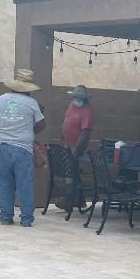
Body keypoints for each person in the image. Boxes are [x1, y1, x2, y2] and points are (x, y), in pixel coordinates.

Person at [0, 69, 45, 227]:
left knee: (5, 183)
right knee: (24, 184)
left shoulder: (0, 100)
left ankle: (5, 217)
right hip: (23, 149)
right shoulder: (31, 103)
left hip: (3, 148)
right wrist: (29, 131)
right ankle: (26, 219)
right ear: (29, 88)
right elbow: (41, 124)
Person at [60, 85, 95, 214]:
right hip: (67, 143)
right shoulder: (71, 105)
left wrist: (77, 150)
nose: (77, 100)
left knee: (70, 173)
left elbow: (85, 132)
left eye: (80, 98)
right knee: (72, 171)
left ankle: (69, 200)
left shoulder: (87, 111)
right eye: (76, 97)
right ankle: (79, 200)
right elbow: (66, 120)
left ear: (85, 99)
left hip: (76, 144)